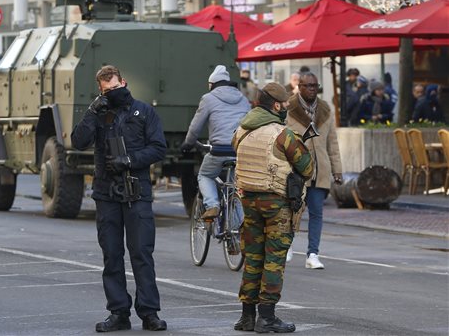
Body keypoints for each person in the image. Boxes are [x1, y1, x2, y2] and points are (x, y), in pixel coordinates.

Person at [71, 65, 168, 332]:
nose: (113, 94)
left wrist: (130, 160)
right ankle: (118, 312)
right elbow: (78, 141)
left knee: (141, 254)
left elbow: (159, 148)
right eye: (107, 91)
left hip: (136, 191)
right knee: (112, 255)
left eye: (116, 88)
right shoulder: (100, 113)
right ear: (100, 91)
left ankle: (149, 313)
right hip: (106, 193)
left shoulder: (144, 111)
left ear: (123, 82)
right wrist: (93, 111)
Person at [231, 82, 313, 333]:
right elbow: (306, 168)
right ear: (276, 106)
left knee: (253, 257)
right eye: (286, 104)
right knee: (274, 259)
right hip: (277, 203)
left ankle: (246, 316)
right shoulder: (282, 134)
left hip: (248, 201)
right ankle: (266, 317)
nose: (287, 107)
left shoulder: (242, 130)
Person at [287, 72, 343, 270]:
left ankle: (313, 254)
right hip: (296, 170)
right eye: (308, 86)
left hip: (320, 170)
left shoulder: (326, 110)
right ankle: (288, 245)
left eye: (315, 86)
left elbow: (332, 142)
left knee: (317, 213)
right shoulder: (288, 108)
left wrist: (338, 170)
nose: (312, 89)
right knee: (293, 210)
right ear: (300, 87)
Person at [180, 65, 250, 220]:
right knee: (235, 187)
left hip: (219, 150)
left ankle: (212, 205)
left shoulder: (208, 99)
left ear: (212, 84)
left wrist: (188, 143)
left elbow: (195, 127)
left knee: (205, 175)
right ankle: (237, 229)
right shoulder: (243, 99)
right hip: (239, 151)